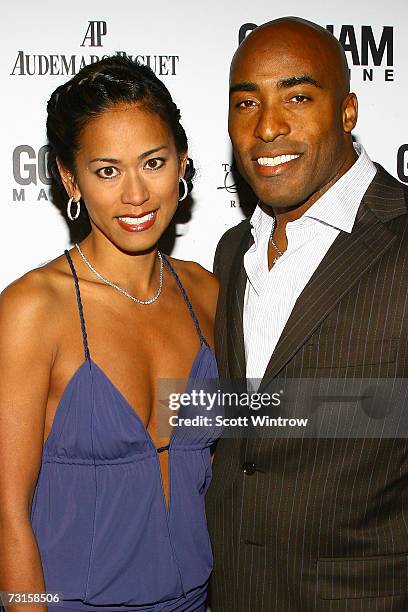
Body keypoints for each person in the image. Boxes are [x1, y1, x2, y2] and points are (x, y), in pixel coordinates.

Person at [0, 56, 219, 612]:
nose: (137, 194)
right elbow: (8, 512)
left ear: (182, 163)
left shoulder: (207, 295)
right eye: (106, 170)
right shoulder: (33, 309)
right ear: (71, 179)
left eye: (153, 162)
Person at [206, 16, 408, 611]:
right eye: (248, 103)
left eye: (297, 96)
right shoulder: (230, 251)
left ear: (347, 112)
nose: (268, 126)